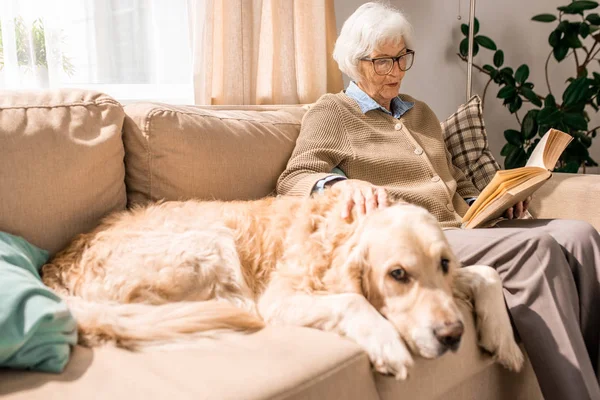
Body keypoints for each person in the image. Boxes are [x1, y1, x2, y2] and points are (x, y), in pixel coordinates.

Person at [276, 3, 600, 400]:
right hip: (419, 242)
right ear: (354, 63)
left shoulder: (423, 114)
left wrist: (492, 200)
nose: (396, 70)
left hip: (465, 225)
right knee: (539, 248)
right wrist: (342, 186)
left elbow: (457, 183)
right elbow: (293, 178)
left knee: (581, 234)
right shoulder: (333, 112)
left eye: (401, 58)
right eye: (383, 61)